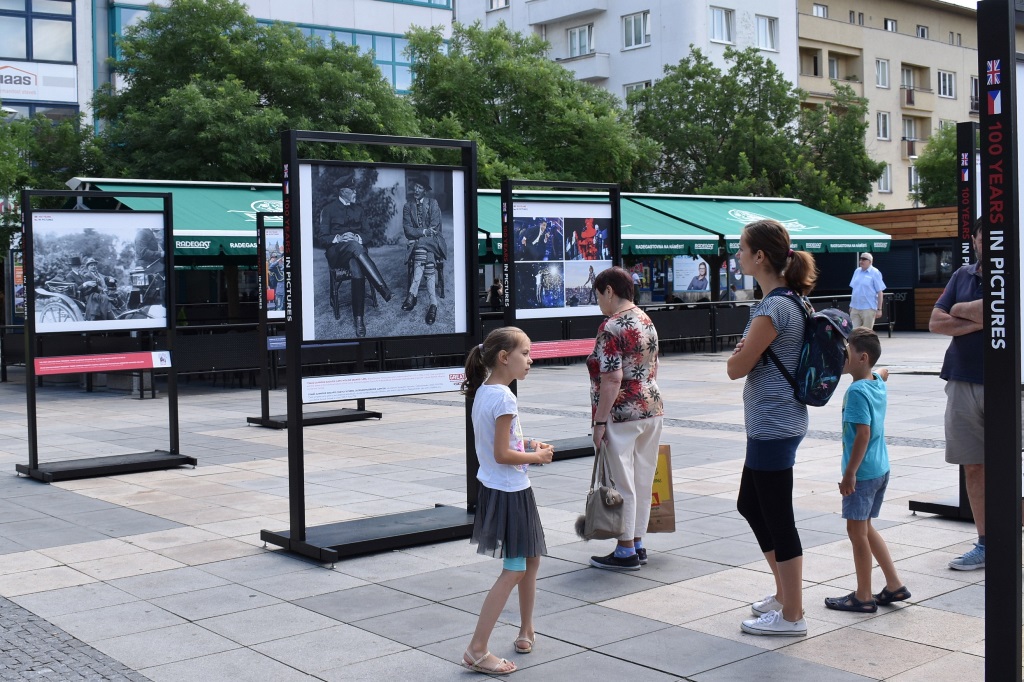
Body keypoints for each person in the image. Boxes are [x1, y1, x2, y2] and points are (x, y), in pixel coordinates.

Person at [726, 218, 816, 637]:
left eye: (742, 249)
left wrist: (740, 352)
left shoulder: (773, 307)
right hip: (778, 421)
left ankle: (793, 613)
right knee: (751, 503)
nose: (738, 255)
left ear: (760, 256)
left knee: (779, 517)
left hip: (773, 424)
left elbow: (736, 367)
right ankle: (783, 594)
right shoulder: (792, 301)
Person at [459, 327, 554, 675]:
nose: (530, 360)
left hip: (502, 489)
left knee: (530, 558)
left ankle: (526, 629)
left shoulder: (488, 391)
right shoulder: (504, 398)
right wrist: (536, 458)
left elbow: (501, 444)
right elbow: (501, 454)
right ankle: (477, 648)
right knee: (515, 568)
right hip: (509, 491)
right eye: (525, 353)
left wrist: (528, 446)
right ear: (504, 357)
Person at [824, 327, 910, 613]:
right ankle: (894, 585)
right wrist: (879, 370)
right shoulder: (875, 381)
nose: (841, 355)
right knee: (866, 527)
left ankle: (863, 596)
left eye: (846, 351)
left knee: (856, 532)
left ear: (861, 358)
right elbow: (883, 371)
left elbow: (862, 434)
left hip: (862, 474)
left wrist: (849, 474)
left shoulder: (857, 392)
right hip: (880, 469)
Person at [586, 266, 664, 570]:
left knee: (621, 481)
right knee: (643, 478)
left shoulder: (611, 326)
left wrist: (600, 421)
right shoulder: (646, 320)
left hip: (621, 412)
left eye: (598, 295)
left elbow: (612, 378)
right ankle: (638, 541)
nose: (598, 302)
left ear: (609, 291)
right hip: (652, 406)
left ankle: (625, 550)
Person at [929, 224, 987, 570]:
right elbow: (936, 322)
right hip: (963, 380)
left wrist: (960, 310)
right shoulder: (962, 275)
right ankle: (985, 542)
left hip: (1008, 385)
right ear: (976, 240)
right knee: (974, 465)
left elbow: (1008, 309)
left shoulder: (1016, 272)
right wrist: (983, 317)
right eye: (983, 237)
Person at [316, 170, 394, 337]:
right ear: (343, 191)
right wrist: (339, 237)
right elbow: (322, 238)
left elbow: (368, 234)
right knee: (352, 245)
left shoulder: (359, 209)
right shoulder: (328, 210)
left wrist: (358, 237)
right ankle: (382, 288)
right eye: (352, 190)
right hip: (337, 253)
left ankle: (359, 319)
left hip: (354, 254)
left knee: (356, 267)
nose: (355, 192)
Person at [401, 173, 446, 325]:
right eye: (415, 186)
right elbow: (407, 230)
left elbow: (434, 228)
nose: (416, 189)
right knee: (426, 255)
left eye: (420, 187)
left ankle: (412, 294)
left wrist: (420, 235)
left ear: (425, 190)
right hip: (422, 246)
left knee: (421, 245)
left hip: (434, 241)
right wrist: (423, 233)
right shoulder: (407, 206)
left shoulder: (433, 203)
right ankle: (433, 304)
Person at [66, 257, 114, 321]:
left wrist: (93, 285)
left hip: (86, 293)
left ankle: (103, 315)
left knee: (103, 297)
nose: (77, 267)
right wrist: (85, 284)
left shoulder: (80, 275)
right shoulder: (70, 276)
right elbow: (74, 289)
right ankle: (101, 317)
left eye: (78, 265)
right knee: (102, 298)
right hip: (79, 296)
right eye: (75, 266)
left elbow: (88, 284)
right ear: (72, 267)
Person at [849, 252, 886, 329]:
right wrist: (851, 305)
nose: (861, 261)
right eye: (860, 259)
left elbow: (880, 292)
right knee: (853, 332)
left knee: (866, 333)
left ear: (870, 262)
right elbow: (854, 289)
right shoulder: (857, 271)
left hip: (868, 308)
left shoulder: (875, 272)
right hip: (855, 307)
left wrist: (879, 309)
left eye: (864, 259)